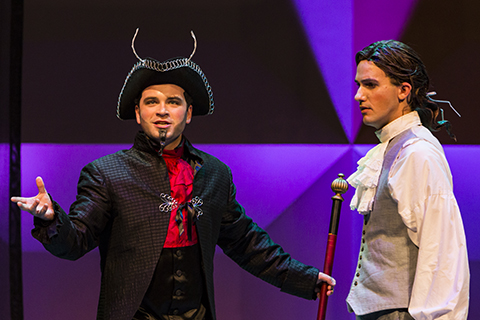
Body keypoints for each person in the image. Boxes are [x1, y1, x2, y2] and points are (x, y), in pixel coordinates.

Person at [11, 31, 335, 320]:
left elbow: (247, 243)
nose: (162, 110)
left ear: (189, 113)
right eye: (151, 102)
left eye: (173, 102)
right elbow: (75, 242)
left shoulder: (214, 174)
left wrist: (304, 279)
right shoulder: (107, 173)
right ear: (138, 113)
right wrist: (51, 218)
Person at [346, 40, 469, 320]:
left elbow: (441, 251)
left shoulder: (417, 153)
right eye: (359, 85)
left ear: (404, 91)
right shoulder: (393, 149)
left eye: (370, 85)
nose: (358, 96)